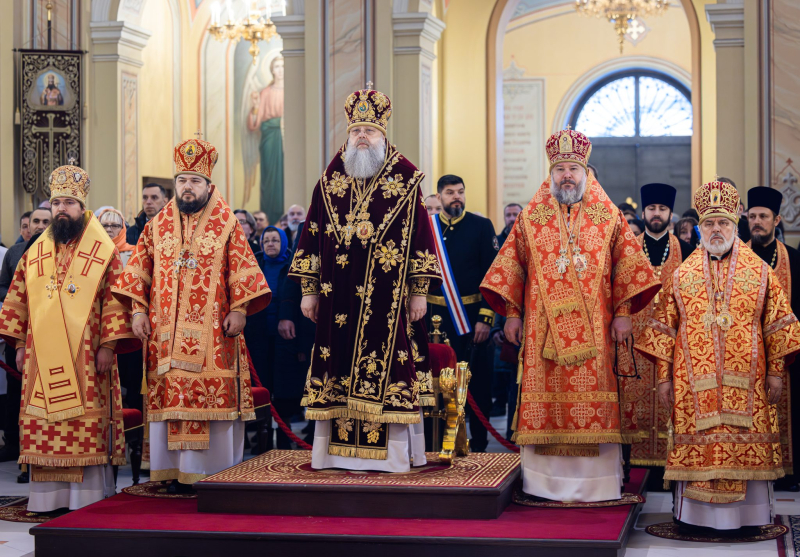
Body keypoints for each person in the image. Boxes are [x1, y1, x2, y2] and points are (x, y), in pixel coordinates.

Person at [480, 128, 660, 503]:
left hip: (596, 331)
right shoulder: (533, 215)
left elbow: (626, 266)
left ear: (585, 171)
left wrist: (624, 312)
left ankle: (596, 484)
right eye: (560, 167)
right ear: (551, 172)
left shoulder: (607, 213)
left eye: (573, 168)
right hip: (541, 333)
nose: (566, 175)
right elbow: (513, 267)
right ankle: (543, 484)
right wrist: (512, 314)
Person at [289, 83, 441, 472]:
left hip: (388, 300)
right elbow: (312, 233)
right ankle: (333, 455)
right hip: (337, 296)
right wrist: (308, 291)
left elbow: (422, 239)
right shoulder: (329, 181)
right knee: (335, 363)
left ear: (382, 135)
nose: (361, 137)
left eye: (369, 131)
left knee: (391, 366)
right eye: (356, 130)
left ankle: (393, 457)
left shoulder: (406, 181)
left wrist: (419, 292)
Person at [636, 180, 800, 536]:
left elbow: (779, 324)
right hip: (694, 386)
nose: (715, 230)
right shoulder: (683, 274)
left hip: (750, 385)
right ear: (700, 227)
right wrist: (663, 379)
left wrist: (775, 373)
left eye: (723, 223)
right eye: (708, 223)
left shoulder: (760, 272)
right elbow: (663, 330)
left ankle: (750, 517)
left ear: (734, 225)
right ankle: (694, 518)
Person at [114, 137, 271, 494]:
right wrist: (138, 311)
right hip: (164, 338)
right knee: (172, 400)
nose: (187, 187)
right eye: (182, 180)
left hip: (214, 335)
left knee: (206, 401)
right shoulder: (158, 225)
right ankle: (172, 472)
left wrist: (240, 308)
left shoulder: (226, 222)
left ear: (208, 184)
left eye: (194, 181)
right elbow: (139, 271)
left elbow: (243, 269)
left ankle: (212, 475)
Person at [0, 164, 136, 512]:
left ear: (81, 207)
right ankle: (46, 500)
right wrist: (17, 344)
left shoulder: (102, 250)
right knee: (44, 425)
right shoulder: (35, 252)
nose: (62, 209)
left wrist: (108, 345)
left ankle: (85, 498)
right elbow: (18, 298)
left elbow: (115, 300)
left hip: (87, 358)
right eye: (57, 202)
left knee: (81, 426)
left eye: (68, 203)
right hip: (39, 359)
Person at [619, 184, 694, 482]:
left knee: (670, 402)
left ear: (670, 213)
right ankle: (630, 470)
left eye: (662, 209)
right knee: (630, 404)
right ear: (644, 212)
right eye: (652, 209)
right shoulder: (627, 249)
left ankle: (669, 471)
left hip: (672, 344)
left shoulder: (687, 251)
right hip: (632, 345)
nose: (656, 214)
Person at [425, 175, 498, 452]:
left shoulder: (481, 226)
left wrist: (485, 318)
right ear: (440, 196)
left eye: (460, 192)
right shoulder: (427, 228)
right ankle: (436, 443)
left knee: (475, 384)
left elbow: (493, 277)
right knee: (435, 384)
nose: (456, 197)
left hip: (469, 321)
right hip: (434, 321)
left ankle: (477, 444)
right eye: (450, 192)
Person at [746, 186, 800, 491]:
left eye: (763, 216)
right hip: (747, 355)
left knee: (789, 411)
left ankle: (789, 473)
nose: (757, 222)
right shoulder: (736, 257)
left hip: (788, 352)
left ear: (776, 219)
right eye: (752, 216)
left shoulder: (793, 259)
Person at [0, 208, 51, 468]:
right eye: (36, 222)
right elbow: (3, 285)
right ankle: (16, 445)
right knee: (16, 389)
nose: (41, 226)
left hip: (50, 333)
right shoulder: (15, 253)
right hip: (20, 330)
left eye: (46, 221)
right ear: (27, 226)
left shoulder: (61, 251)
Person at [248, 56, 285, 224]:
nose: (280, 69)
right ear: (272, 70)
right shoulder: (266, 92)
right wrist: (255, 105)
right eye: (276, 66)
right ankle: (268, 216)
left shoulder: (292, 90)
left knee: (284, 176)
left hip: (286, 138)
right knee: (270, 179)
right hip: (270, 139)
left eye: (283, 66)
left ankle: (283, 216)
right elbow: (255, 124)